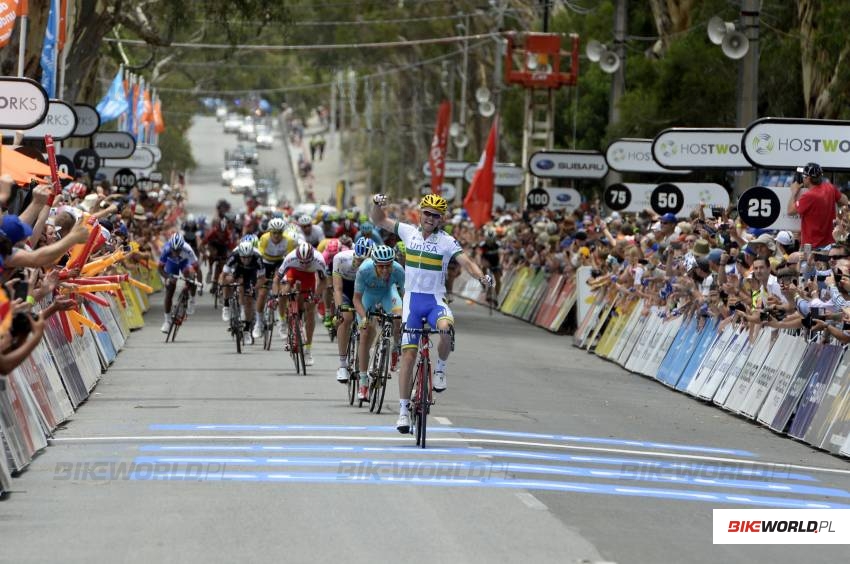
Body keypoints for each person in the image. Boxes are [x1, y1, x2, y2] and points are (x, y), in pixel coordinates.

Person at [371, 193, 493, 433]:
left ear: (441, 219)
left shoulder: (447, 241)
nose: (430, 218)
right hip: (412, 302)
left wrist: (481, 276)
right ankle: (404, 411)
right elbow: (380, 220)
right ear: (421, 212)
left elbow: (466, 262)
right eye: (427, 213)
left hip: (435, 300)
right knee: (408, 355)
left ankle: (440, 369)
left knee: (446, 329)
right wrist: (376, 205)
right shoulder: (407, 231)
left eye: (435, 215)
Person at [352, 244, 405, 400]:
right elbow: (356, 299)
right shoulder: (364, 269)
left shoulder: (398, 270)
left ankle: (395, 348)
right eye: (380, 266)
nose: (384, 270)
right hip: (367, 296)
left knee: (399, 318)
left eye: (388, 266)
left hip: (388, 293)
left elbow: (404, 295)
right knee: (365, 332)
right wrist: (363, 318)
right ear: (374, 263)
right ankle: (363, 382)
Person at [274, 241, 327, 366]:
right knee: (285, 291)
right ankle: (282, 319)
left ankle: (308, 350)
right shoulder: (291, 257)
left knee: (310, 311)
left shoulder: (319, 260)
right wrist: (275, 296)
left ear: (312, 258)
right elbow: (277, 279)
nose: (304, 264)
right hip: (294, 272)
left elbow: (324, 281)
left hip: (309, 277)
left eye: (306, 262)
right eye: (301, 262)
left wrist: (316, 297)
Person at [332, 237, 374, 382]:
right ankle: (343, 365)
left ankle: (365, 365)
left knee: (370, 324)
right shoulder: (341, 258)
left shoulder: (376, 264)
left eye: (365, 261)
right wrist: (340, 309)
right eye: (358, 259)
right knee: (346, 318)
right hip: (346, 289)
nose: (360, 264)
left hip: (363, 291)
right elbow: (337, 288)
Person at [252, 218, 297, 337]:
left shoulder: (288, 241)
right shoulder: (265, 238)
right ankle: (258, 322)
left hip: (280, 262)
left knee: (283, 290)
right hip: (265, 262)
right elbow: (259, 257)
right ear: (270, 232)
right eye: (274, 232)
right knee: (262, 294)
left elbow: (290, 259)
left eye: (279, 232)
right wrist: (262, 277)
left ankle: (282, 323)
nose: (277, 235)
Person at [787, 162, 848, 249]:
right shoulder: (830, 188)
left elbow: (790, 211)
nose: (803, 179)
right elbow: (845, 200)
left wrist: (794, 192)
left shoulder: (809, 196)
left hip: (812, 246)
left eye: (803, 177)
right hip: (830, 244)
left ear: (808, 178)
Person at [158, 233, 200, 333]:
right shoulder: (166, 250)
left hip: (184, 263)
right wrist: (168, 277)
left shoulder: (188, 249)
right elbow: (160, 268)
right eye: (174, 250)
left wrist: (198, 281)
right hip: (171, 265)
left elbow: (197, 268)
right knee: (169, 289)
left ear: (182, 247)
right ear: (171, 247)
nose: (176, 252)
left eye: (178, 250)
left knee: (191, 277)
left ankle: (192, 300)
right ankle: (167, 321)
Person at [221, 240, 263, 329]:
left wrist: (254, 288)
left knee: (249, 298)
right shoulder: (234, 255)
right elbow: (223, 274)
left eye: (248, 257)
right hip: (238, 269)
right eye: (243, 257)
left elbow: (261, 278)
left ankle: (247, 327)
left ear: (252, 254)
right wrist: (222, 285)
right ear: (239, 255)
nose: (246, 260)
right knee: (228, 280)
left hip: (252, 272)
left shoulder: (258, 257)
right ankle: (226, 305)